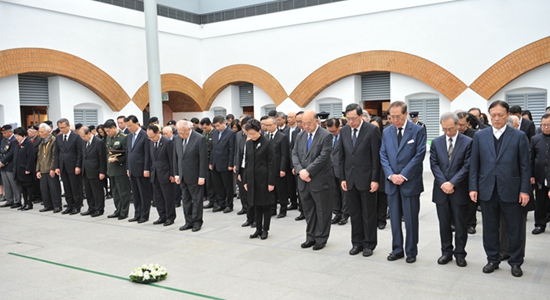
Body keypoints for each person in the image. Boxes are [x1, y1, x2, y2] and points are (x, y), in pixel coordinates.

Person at [469, 100, 530, 277]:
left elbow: (525, 166)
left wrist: (525, 190)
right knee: (489, 227)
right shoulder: (481, 136)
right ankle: (492, 259)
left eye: (500, 115)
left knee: (514, 228)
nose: (496, 118)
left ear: (507, 115)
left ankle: (516, 262)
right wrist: (473, 187)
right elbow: (474, 164)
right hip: (487, 189)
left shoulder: (518, 136)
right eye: (493, 115)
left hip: (512, 189)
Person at [380, 101, 426, 263]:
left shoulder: (418, 130)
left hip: (410, 182)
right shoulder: (387, 132)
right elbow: (383, 155)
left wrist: (404, 175)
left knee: (411, 219)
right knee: (393, 219)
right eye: (391, 117)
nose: (395, 120)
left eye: (398, 116)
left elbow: (419, 155)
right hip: (392, 182)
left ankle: (411, 251)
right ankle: (397, 249)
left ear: (406, 114)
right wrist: (391, 175)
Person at [430, 112, 472, 267]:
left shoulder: (468, 142)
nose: (448, 132)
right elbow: (434, 164)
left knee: (461, 224)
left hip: (459, 189)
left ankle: (460, 253)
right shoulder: (436, 142)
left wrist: (452, 183)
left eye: (451, 129)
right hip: (441, 190)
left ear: (458, 125)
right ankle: (446, 252)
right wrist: (443, 183)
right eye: (444, 129)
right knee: (444, 224)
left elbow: (467, 166)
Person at [339, 104, 381, 257]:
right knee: (354, 213)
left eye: (353, 119)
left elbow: (376, 158)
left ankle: (369, 244)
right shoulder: (343, 131)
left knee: (368, 213)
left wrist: (375, 179)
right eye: (348, 119)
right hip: (350, 179)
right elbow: (341, 156)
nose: (351, 122)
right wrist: (343, 177)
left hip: (367, 179)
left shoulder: (371, 130)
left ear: (361, 116)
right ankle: (356, 243)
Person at [292, 110, 334, 250]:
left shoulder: (326, 135)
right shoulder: (300, 135)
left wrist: (308, 171)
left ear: (317, 121)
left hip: (319, 180)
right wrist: (300, 170)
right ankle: (310, 237)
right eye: (303, 123)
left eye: (308, 123)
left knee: (322, 211)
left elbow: (323, 157)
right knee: (308, 211)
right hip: (304, 180)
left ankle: (321, 238)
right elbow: (295, 154)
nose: (306, 126)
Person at [243, 119, 276, 240]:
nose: (251, 136)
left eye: (253, 133)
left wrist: (271, 182)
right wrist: (245, 180)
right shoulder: (248, 143)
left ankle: (265, 229)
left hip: (264, 179)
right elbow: (247, 163)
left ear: (259, 131)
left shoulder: (267, 143)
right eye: (249, 134)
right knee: (255, 205)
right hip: (252, 179)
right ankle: (258, 228)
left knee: (265, 206)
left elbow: (272, 163)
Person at [147, 125, 176, 226]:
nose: (151, 139)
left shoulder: (167, 142)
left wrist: (172, 174)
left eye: (152, 136)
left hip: (166, 173)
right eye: (149, 137)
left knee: (168, 197)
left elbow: (172, 160)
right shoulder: (151, 143)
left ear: (158, 133)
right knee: (158, 197)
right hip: (155, 174)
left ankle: (170, 217)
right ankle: (162, 216)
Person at [125, 115, 152, 223]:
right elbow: (128, 153)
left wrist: (146, 168)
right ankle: (137, 213)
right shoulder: (129, 136)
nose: (129, 128)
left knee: (143, 193)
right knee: (135, 194)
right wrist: (128, 168)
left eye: (131, 125)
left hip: (142, 169)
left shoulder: (144, 135)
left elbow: (147, 154)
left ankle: (144, 215)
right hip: (132, 169)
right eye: (128, 126)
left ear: (137, 123)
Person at [55, 118, 84, 215]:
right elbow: (57, 153)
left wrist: (78, 166)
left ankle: (77, 206)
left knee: (75, 187)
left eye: (63, 127)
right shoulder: (58, 138)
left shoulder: (76, 137)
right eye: (60, 128)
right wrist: (57, 166)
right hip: (63, 166)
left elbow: (80, 152)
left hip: (73, 165)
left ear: (68, 126)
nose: (62, 129)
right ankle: (70, 205)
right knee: (67, 187)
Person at [104, 120, 131, 220]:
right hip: (112, 169)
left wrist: (118, 159)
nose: (107, 133)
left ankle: (124, 211)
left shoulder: (123, 138)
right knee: (115, 191)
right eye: (106, 131)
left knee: (123, 192)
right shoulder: (108, 138)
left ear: (114, 128)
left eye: (108, 131)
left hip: (120, 168)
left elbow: (127, 154)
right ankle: (118, 210)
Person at [264, 116, 289, 218]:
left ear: (275, 125)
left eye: (270, 125)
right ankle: (272, 209)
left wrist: (283, 169)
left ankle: (283, 209)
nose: (268, 127)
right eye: (266, 125)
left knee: (281, 190)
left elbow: (284, 154)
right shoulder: (265, 137)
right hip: (269, 168)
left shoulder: (282, 137)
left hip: (279, 168)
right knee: (271, 190)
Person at [78, 126, 107, 217]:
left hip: (96, 170)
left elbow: (102, 158)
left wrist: (102, 172)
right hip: (86, 170)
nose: (83, 138)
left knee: (97, 191)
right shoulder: (84, 142)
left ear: (89, 133)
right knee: (88, 191)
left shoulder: (99, 142)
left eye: (84, 136)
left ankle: (99, 209)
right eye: (81, 137)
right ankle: (91, 208)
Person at [210, 115, 235, 213]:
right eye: (215, 126)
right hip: (216, 163)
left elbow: (231, 150)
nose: (217, 128)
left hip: (225, 164)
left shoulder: (231, 133)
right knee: (218, 186)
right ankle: (221, 204)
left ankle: (229, 204)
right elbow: (213, 148)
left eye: (218, 125)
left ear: (224, 123)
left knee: (227, 186)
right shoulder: (215, 133)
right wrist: (211, 162)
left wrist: (230, 164)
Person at [529, 113, 550, 234]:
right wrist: (531, 175)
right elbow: (531, 158)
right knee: (540, 202)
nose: (546, 127)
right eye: (543, 125)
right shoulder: (535, 139)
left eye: (548, 125)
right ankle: (539, 224)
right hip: (540, 175)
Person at [36, 123, 62, 213]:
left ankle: (57, 205)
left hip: (50, 168)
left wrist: (53, 168)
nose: (40, 134)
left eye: (42, 132)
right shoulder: (41, 142)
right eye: (39, 132)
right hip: (43, 168)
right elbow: (39, 157)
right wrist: (38, 170)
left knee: (54, 188)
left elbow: (54, 156)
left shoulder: (54, 140)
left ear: (48, 131)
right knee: (44, 189)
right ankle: (48, 205)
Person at [326, 118, 348, 226]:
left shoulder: (345, 135)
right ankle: (337, 213)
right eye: (330, 131)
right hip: (331, 169)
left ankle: (344, 215)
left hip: (343, 169)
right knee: (334, 193)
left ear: (339, 126)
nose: (332, 133)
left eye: (334, 131)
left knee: (344, 193)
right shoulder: (328, 136)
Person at [370, 117, 388, 229]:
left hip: (382, 170)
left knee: (382, 196)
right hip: (371, 170)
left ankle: (381, 219)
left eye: (376, 127)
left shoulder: (384, 138)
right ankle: (374, 219)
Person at [13, 127, 35, 210]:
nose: (16, 137)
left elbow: (31, 157)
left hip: (25, 169)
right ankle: (25, 202)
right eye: (15, 136)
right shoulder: (17, 143)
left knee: (28, 187)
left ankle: (29, 203)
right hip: (19, 169)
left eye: (18, 136)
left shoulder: (28, 143)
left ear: (23, 135)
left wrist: (28, 168)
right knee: (22, 187)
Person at [234, 116, 252, 220]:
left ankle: (254, 218)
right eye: (244, 127)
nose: (245, 130)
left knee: (251, 195)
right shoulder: (241, 139)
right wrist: (237, 168)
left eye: (247, 127)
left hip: (252, 170)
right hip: (242, 168)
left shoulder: (258, 139)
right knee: (243, 193)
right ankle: (248, 217)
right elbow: (238, 154)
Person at [0, 125, 21, 208]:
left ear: (10, 132)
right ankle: (9, 200)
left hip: (10, 165)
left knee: (14, 184)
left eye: (5, 133)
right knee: (6, 184)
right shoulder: (4, 140)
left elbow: (11, 153)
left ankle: (17, 200)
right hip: (3, 165)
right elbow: (1, 151)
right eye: (2, 133)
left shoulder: (14, 140)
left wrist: (3, 161)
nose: (4, 134)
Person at [201, 117, 217, 209]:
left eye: (205, 127)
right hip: (206, 161)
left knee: (215, 182)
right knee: (209, 183)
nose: (204, 129)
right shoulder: (204, 134)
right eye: (203, 128)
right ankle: (211, 200)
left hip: (213, 160)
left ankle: (217, 201)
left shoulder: (214, 133)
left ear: (210, 125)